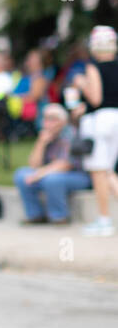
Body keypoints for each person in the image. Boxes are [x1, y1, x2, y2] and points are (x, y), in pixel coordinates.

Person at [70, 24, 118, 235]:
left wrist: (81, 84)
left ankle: (104, 219)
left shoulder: (93, 67)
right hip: (115, 118)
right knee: (108, 171)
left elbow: (96, 98)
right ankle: (104, 219)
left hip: (100, 122)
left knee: (100, 171)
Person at [13, 103, 91, 225]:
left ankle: (59, 216)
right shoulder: (46, 135)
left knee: (52, 180)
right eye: (45, 118)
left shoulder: (70, 134)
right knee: (21, 174)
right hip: (49, 173)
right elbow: (34, 164)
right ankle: (35, 215)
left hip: (78, 175)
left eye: (52, 118)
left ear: (63, 121)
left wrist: (39, 174)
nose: (47, 122)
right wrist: (41, 143)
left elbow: (66, 164)